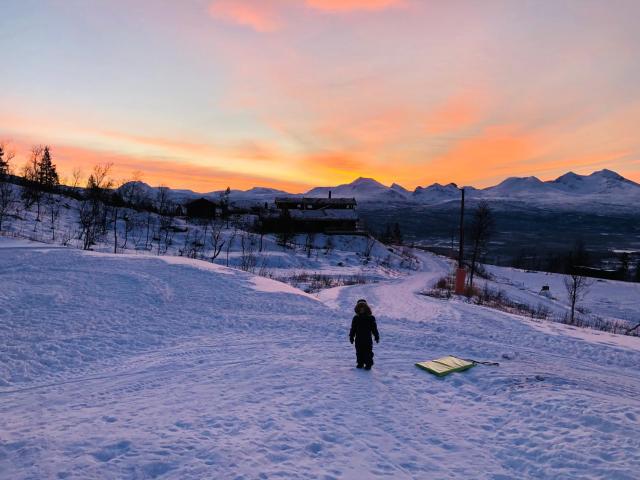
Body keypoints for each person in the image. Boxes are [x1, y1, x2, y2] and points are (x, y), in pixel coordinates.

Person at [349, 299, 379, 370]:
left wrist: (376, 336)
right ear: (357, 308)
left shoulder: (371, 318)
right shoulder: (356, 318)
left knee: (368, 352)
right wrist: (351, 337)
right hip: (358, 339)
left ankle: (368, 364)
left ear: (366, 308)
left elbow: (374, 328)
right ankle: (360, 363)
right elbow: (353, 328)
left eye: (363, 307)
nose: (361, 309)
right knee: (359, 352)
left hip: (367, 339)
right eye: (360, 307)